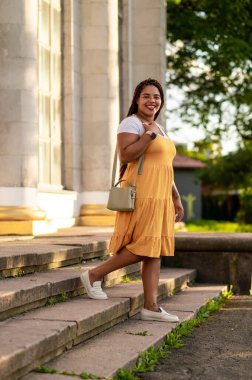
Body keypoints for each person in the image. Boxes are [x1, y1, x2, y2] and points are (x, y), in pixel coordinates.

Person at [81, 78, 184, 322]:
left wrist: (176, 198)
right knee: (144, 246)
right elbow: (126, 154)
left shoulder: (159, 128)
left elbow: (164, 167)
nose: (152, 101)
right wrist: (147, 138)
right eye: (146, 96)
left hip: (160, 196)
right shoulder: (132, 123)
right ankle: (95, 274)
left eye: (156, 97)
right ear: (137, 99)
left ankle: (151, 307)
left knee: (154, 251)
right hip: (142, 193)